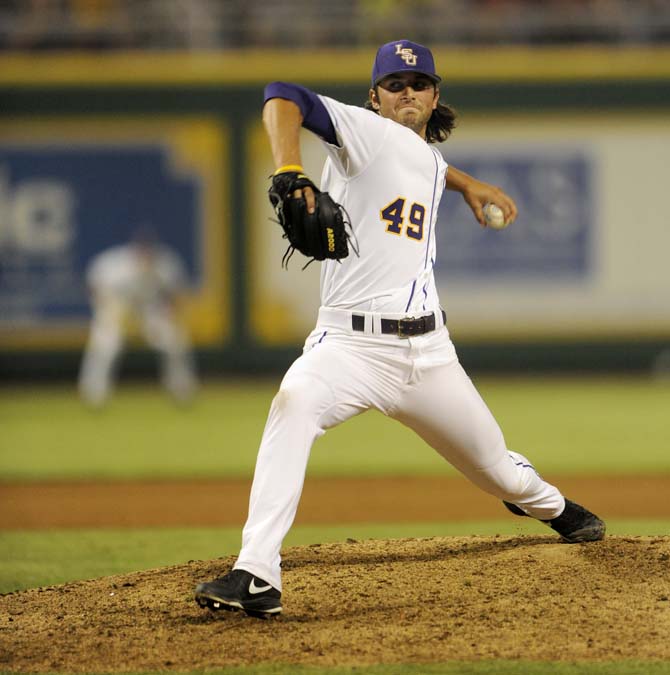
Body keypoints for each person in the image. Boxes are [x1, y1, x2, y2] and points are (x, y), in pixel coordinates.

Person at [195, 39, 605, 619]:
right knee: (293, 404)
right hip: (349, 347)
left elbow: (429, 166)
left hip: (429, 354)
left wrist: (467, 185)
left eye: (417, 84)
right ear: (375, 98)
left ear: (436, 96)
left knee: (500, 473)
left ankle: (550, 505)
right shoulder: (363, 131)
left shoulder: (427, 159)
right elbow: (283, 94)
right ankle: (257, 572)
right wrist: (290, 168)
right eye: (394, 84)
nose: (406, 92)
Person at [78, 230, 197, 407]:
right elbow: (93, 285)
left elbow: (175, 295)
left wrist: (168, 313)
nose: (145, 256)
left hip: (150, 311)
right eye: (141, 252)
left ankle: (181, 390)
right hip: (119, 308)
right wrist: (106, 309)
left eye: (148, 252)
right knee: (105, 346)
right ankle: (94, 394)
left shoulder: (165, 264)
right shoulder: (114, 265)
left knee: (174, 341)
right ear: (133, 252)